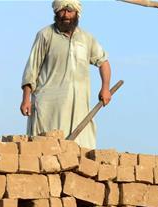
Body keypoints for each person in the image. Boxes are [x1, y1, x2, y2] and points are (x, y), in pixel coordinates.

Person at [20, 0, 111, 149]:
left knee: (81, 149)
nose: (66, 15)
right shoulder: (45, 35)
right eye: (62, 11)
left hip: (79, 106)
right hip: (48, 106)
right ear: (56, 12)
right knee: (45, 148)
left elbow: (104, 63)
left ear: (77, 13)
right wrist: (26, 99)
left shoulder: (86, 38)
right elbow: (32, 69)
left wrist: (105, 88)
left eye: (70, 11)